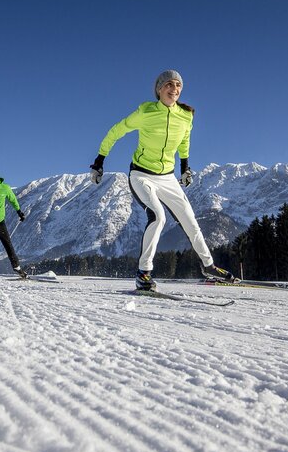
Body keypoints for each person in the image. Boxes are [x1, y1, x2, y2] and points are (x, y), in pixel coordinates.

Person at [89, 70, 235, 291]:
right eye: (168, 84)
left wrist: (185, 168)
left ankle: (209, 266)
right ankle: (144, 273)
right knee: (158, 217)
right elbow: (116, 131)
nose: (174, 88)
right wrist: (100, 160)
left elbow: (184, 142)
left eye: (178, 85)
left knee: (190, 221)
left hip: (167, 177)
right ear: (159, 89)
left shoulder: (186, 117)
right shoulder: (145, 111)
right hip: (141, 174)